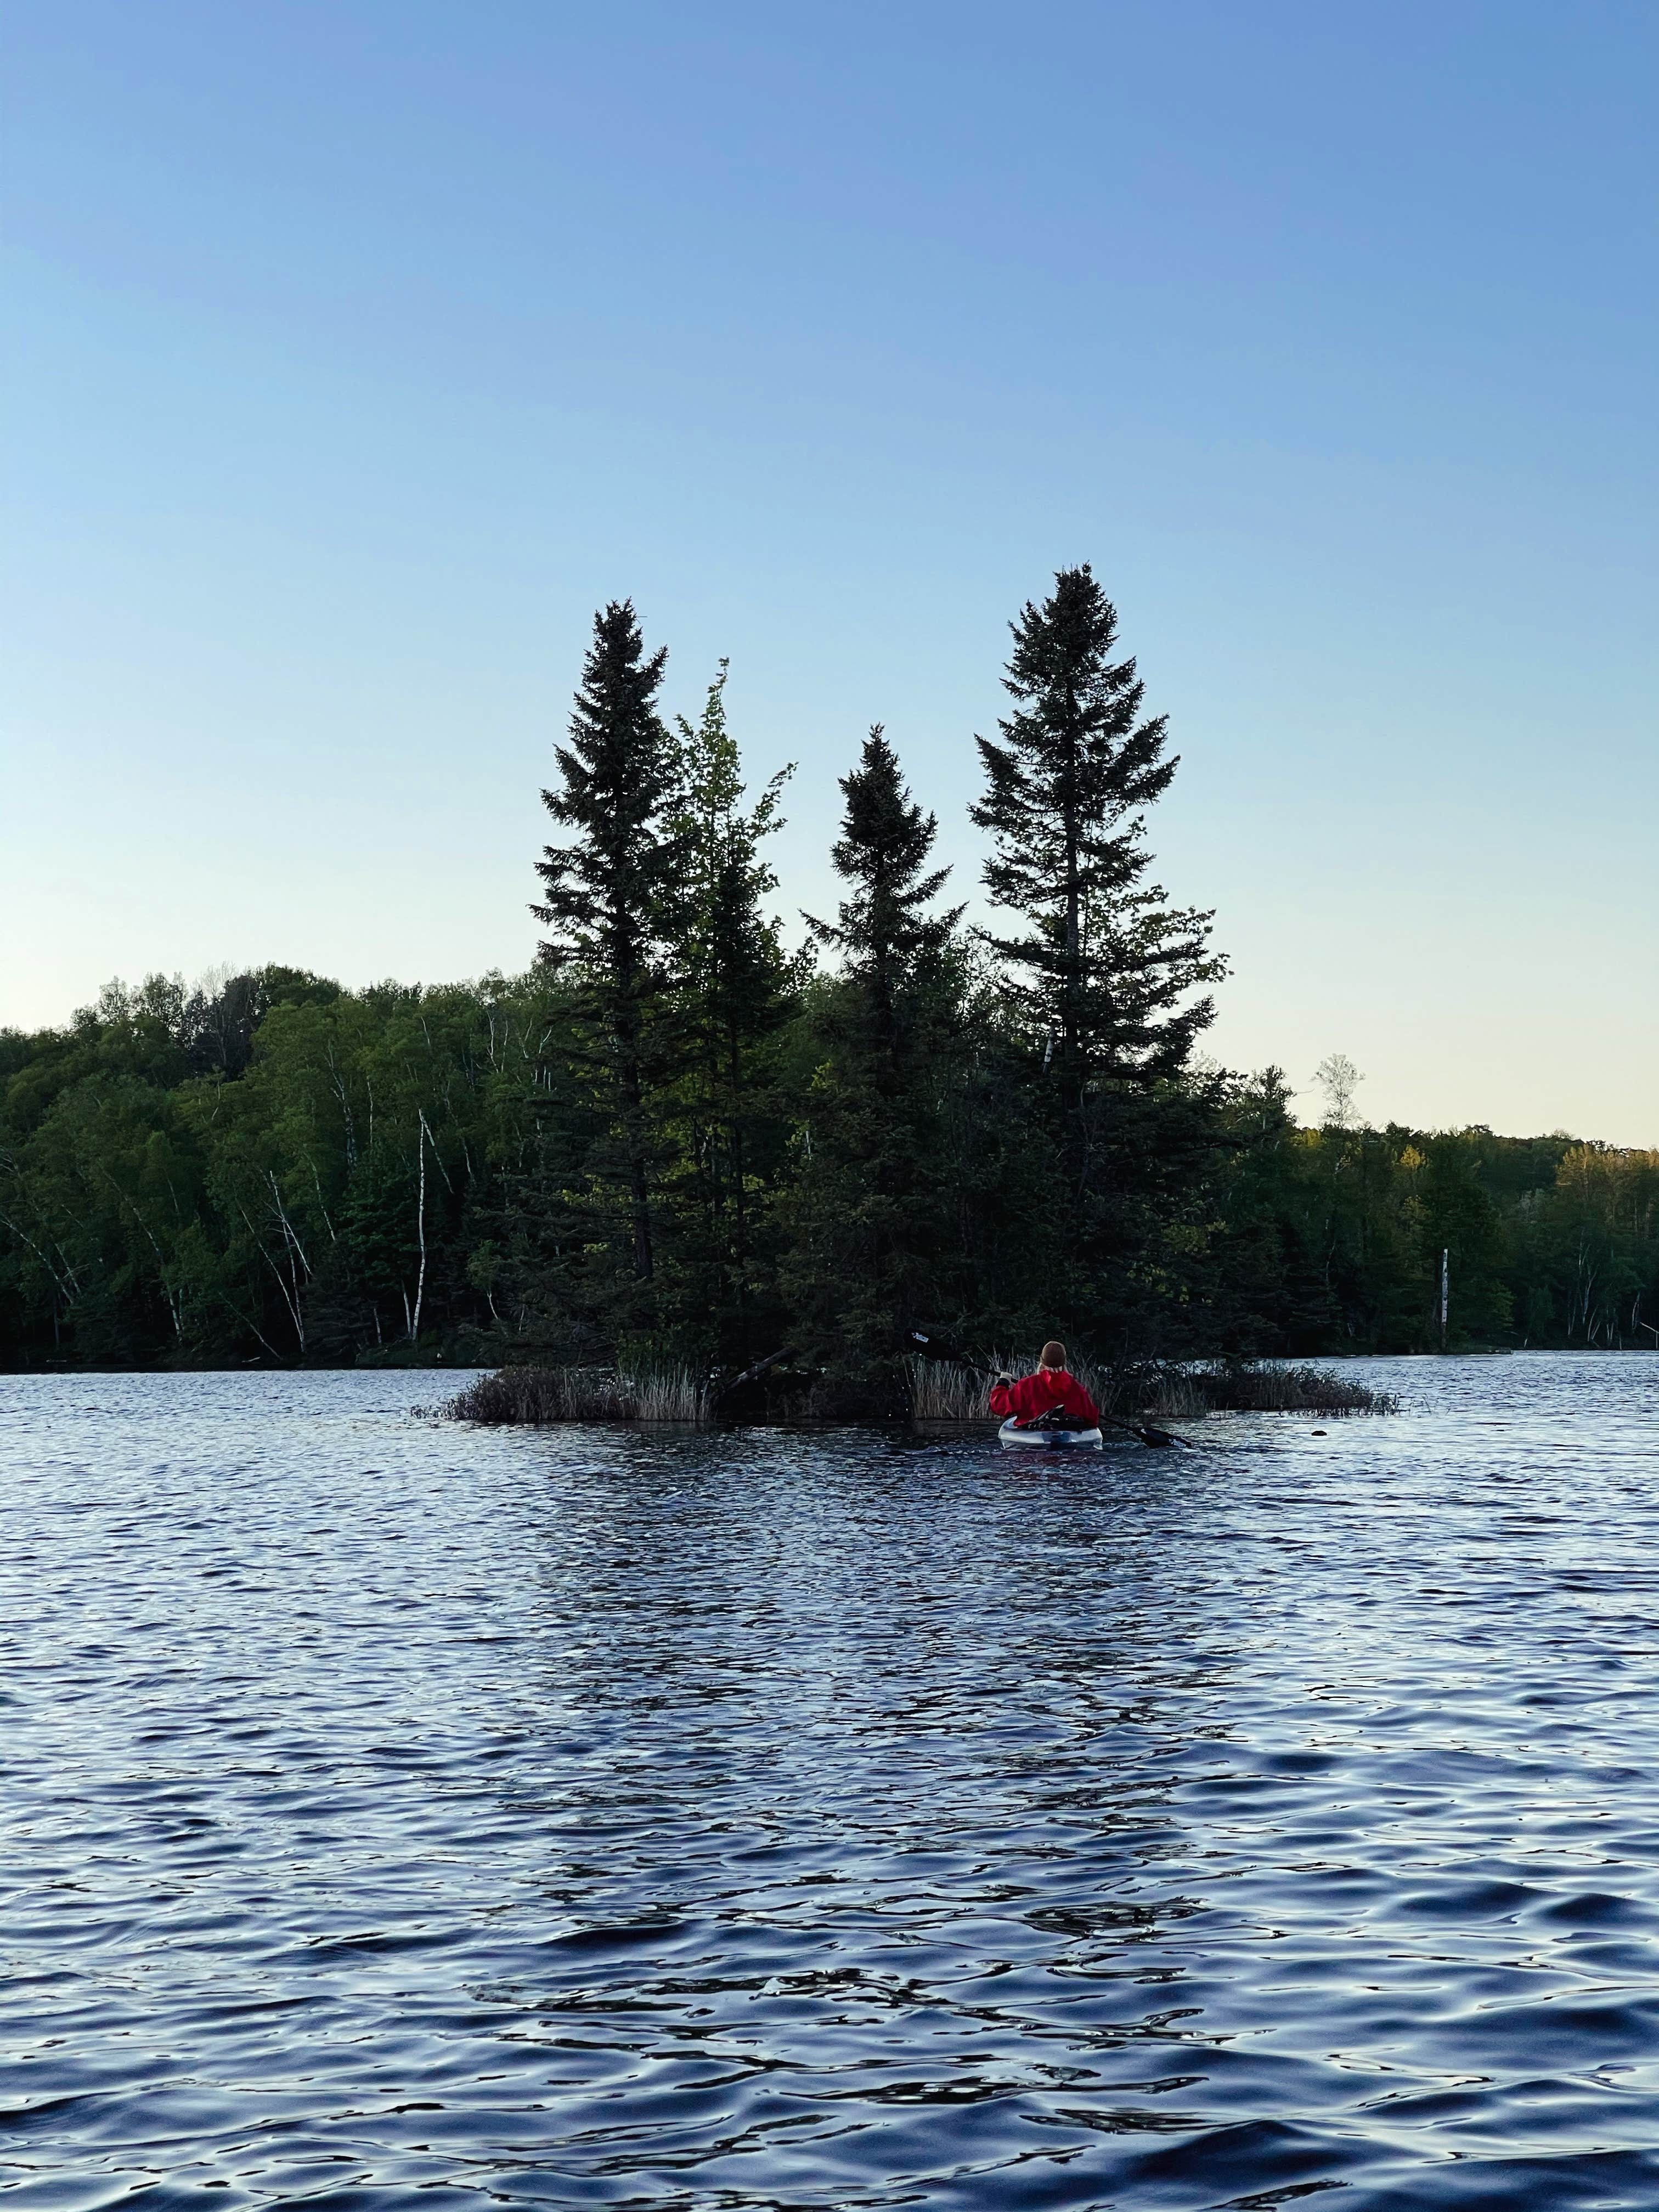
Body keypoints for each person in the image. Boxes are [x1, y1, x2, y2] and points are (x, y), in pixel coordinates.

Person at [990, 1341, 1101, 1428]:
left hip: (1034, 1446)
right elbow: (1092, 1420)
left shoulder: (1027, 1385)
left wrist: (1003, 1382)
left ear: (1042, 1363)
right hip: (1068, 1444)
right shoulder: (1076, 1388)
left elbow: (999, 1406)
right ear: (1064, 1362)